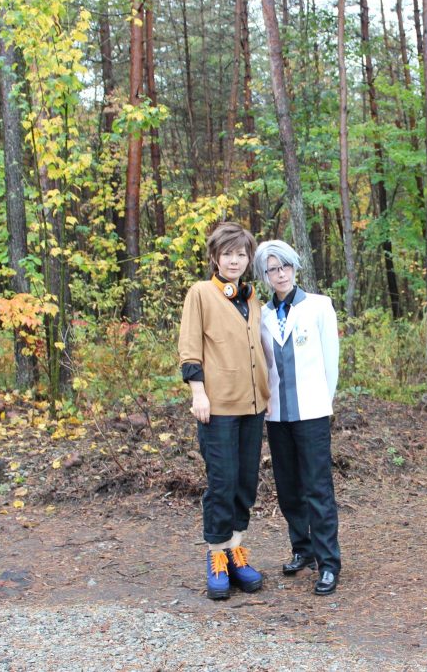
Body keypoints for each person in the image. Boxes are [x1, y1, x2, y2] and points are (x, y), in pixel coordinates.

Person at [178, 222, 270, 600]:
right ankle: (217, 556)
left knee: (246, 482)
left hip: (254, 405)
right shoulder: (200, 293)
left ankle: (236, 549)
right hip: (217, 406)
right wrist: (198, 392)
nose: (234, 260)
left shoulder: (250, 298)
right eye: (228, 253)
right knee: (223, 480)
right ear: (215, 257)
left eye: (241, 254)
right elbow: (189, 346)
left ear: (248, 259)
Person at [254, 240, 342, 595]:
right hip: (277, 415)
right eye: (273, 269)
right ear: (265, 275)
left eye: (285, 266)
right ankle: (301, 550)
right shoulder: (261, 314)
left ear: (295, 268)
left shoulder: (320, 306)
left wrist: (324, 402)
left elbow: (330, 362)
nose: (281, 274)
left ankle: (328, 562)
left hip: (312, 412)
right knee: (289, 488)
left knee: (317, 488)